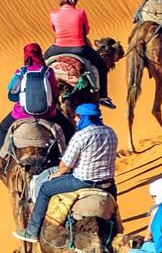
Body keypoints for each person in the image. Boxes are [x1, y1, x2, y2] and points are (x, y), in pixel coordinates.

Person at [15, 103, 118, 244]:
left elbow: (65, 165)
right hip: (107, 184)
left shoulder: (81, 136)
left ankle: (32, 231)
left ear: (85, 118)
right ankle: (117, 234)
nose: (75, 120)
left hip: (82, 181)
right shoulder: (111, 132)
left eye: (77, 117)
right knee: (112, 208)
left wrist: (58, 174)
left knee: (45, 189)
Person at [0, 44, 73, 178]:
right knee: (68, 127)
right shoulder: (48, 71)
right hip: (48, 115)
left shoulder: (20, 72)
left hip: (20, 115)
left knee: (3, 127)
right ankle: (72, 160)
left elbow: (12, 95)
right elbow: (55, 94)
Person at [43, 0, 111, 102]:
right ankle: (103, 96)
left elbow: (54, 29)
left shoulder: (53, 14)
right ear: (73, 0)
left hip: (57, 48)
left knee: (40, 65)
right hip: (79, 48)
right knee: (102, 65)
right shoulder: (80, 13)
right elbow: (86, 30)